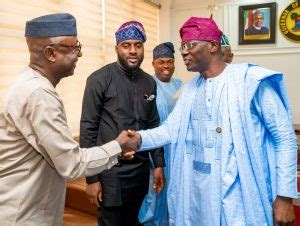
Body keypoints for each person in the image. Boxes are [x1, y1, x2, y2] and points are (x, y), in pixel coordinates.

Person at [132, 17, 297, 225]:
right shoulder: (190, 90)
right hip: (197, 193)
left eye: (189, 45)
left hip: (238, 196)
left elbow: (284, 138)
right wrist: (137, 139)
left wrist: (284, 197)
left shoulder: (251, 81)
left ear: (212, 46)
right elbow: (169, 130)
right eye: (182, 46)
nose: (183, 52)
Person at [0, 13, 137, 226]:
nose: (80, 54)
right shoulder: (39, 95)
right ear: (50, 53)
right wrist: (118, 146)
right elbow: (72, 164)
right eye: (74, 47)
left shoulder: (29, 83)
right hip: (24, 215)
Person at [80, 21, 165, 226]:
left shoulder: (149, 82)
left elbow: (153, 124)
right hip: (111, 173)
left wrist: (159, 164)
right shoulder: (99, 79)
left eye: (138, 45)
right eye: (126, 45)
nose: (133, 51)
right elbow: (88, 129)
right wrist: (92, 179)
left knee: (134, 220)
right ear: (117, 47)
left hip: (140, 171)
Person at [138, 42, 183, 226]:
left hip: (176, 149)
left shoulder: (180, 84)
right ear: (153, 63)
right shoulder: (147, 85)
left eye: (170, 62)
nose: (166, 66)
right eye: (161, 62)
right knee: (154, 192)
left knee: (173, 191)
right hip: (155, 149)